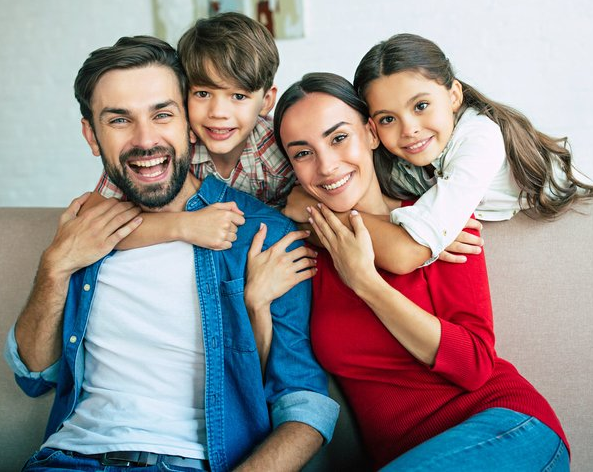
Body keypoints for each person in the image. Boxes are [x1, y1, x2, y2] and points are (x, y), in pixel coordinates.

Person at [4, 37, 338, 472]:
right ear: (91, 134)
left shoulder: (265, 235)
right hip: (66, 461)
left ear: (187, 122)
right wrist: (54, 267)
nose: (146, 140)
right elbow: (33, 377)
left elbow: (305, 405)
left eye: (162, 114)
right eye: (119, 120)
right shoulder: (87, 232)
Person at [251, 72, 569, 471]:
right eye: (303, 153)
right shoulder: (303, 246)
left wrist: (366, 282)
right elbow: (275, 380)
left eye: (338, 138)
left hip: (508, 429)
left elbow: (474, 365)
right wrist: (255, 304)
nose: (327, 166)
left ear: (369, 133)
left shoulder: (436, 222)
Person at [351, 32, 593, 262]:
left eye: (421, 106)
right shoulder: (397, 153)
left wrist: (433, 229)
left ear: (454, 96)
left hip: (575, 222)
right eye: (388, 119)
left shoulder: (479, 139)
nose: (409, 129)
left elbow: (414, 243)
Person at [91, 12, 295, 252]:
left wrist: (302, 202)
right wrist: (183, 225)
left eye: (238, 96)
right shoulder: (166, 145)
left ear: (266, 101)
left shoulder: (279, 148)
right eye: (203, 94)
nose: (218, 112)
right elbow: (94, 223)